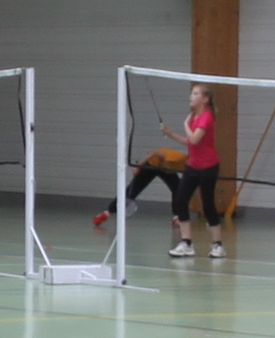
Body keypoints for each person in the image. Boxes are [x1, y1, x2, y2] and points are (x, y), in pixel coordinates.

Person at [95, 85, 230, 260]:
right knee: (180, 200)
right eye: (191, 93)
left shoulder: (207, 116)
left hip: (208, 167)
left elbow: (195, 140)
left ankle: (218, 245)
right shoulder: (195, 117)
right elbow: (189, 142)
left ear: (205, 99)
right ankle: (186, 243)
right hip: (192, 166)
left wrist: (185, 124)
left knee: (208, 205)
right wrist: (171, 133)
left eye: (196, 93)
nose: (191, 96)